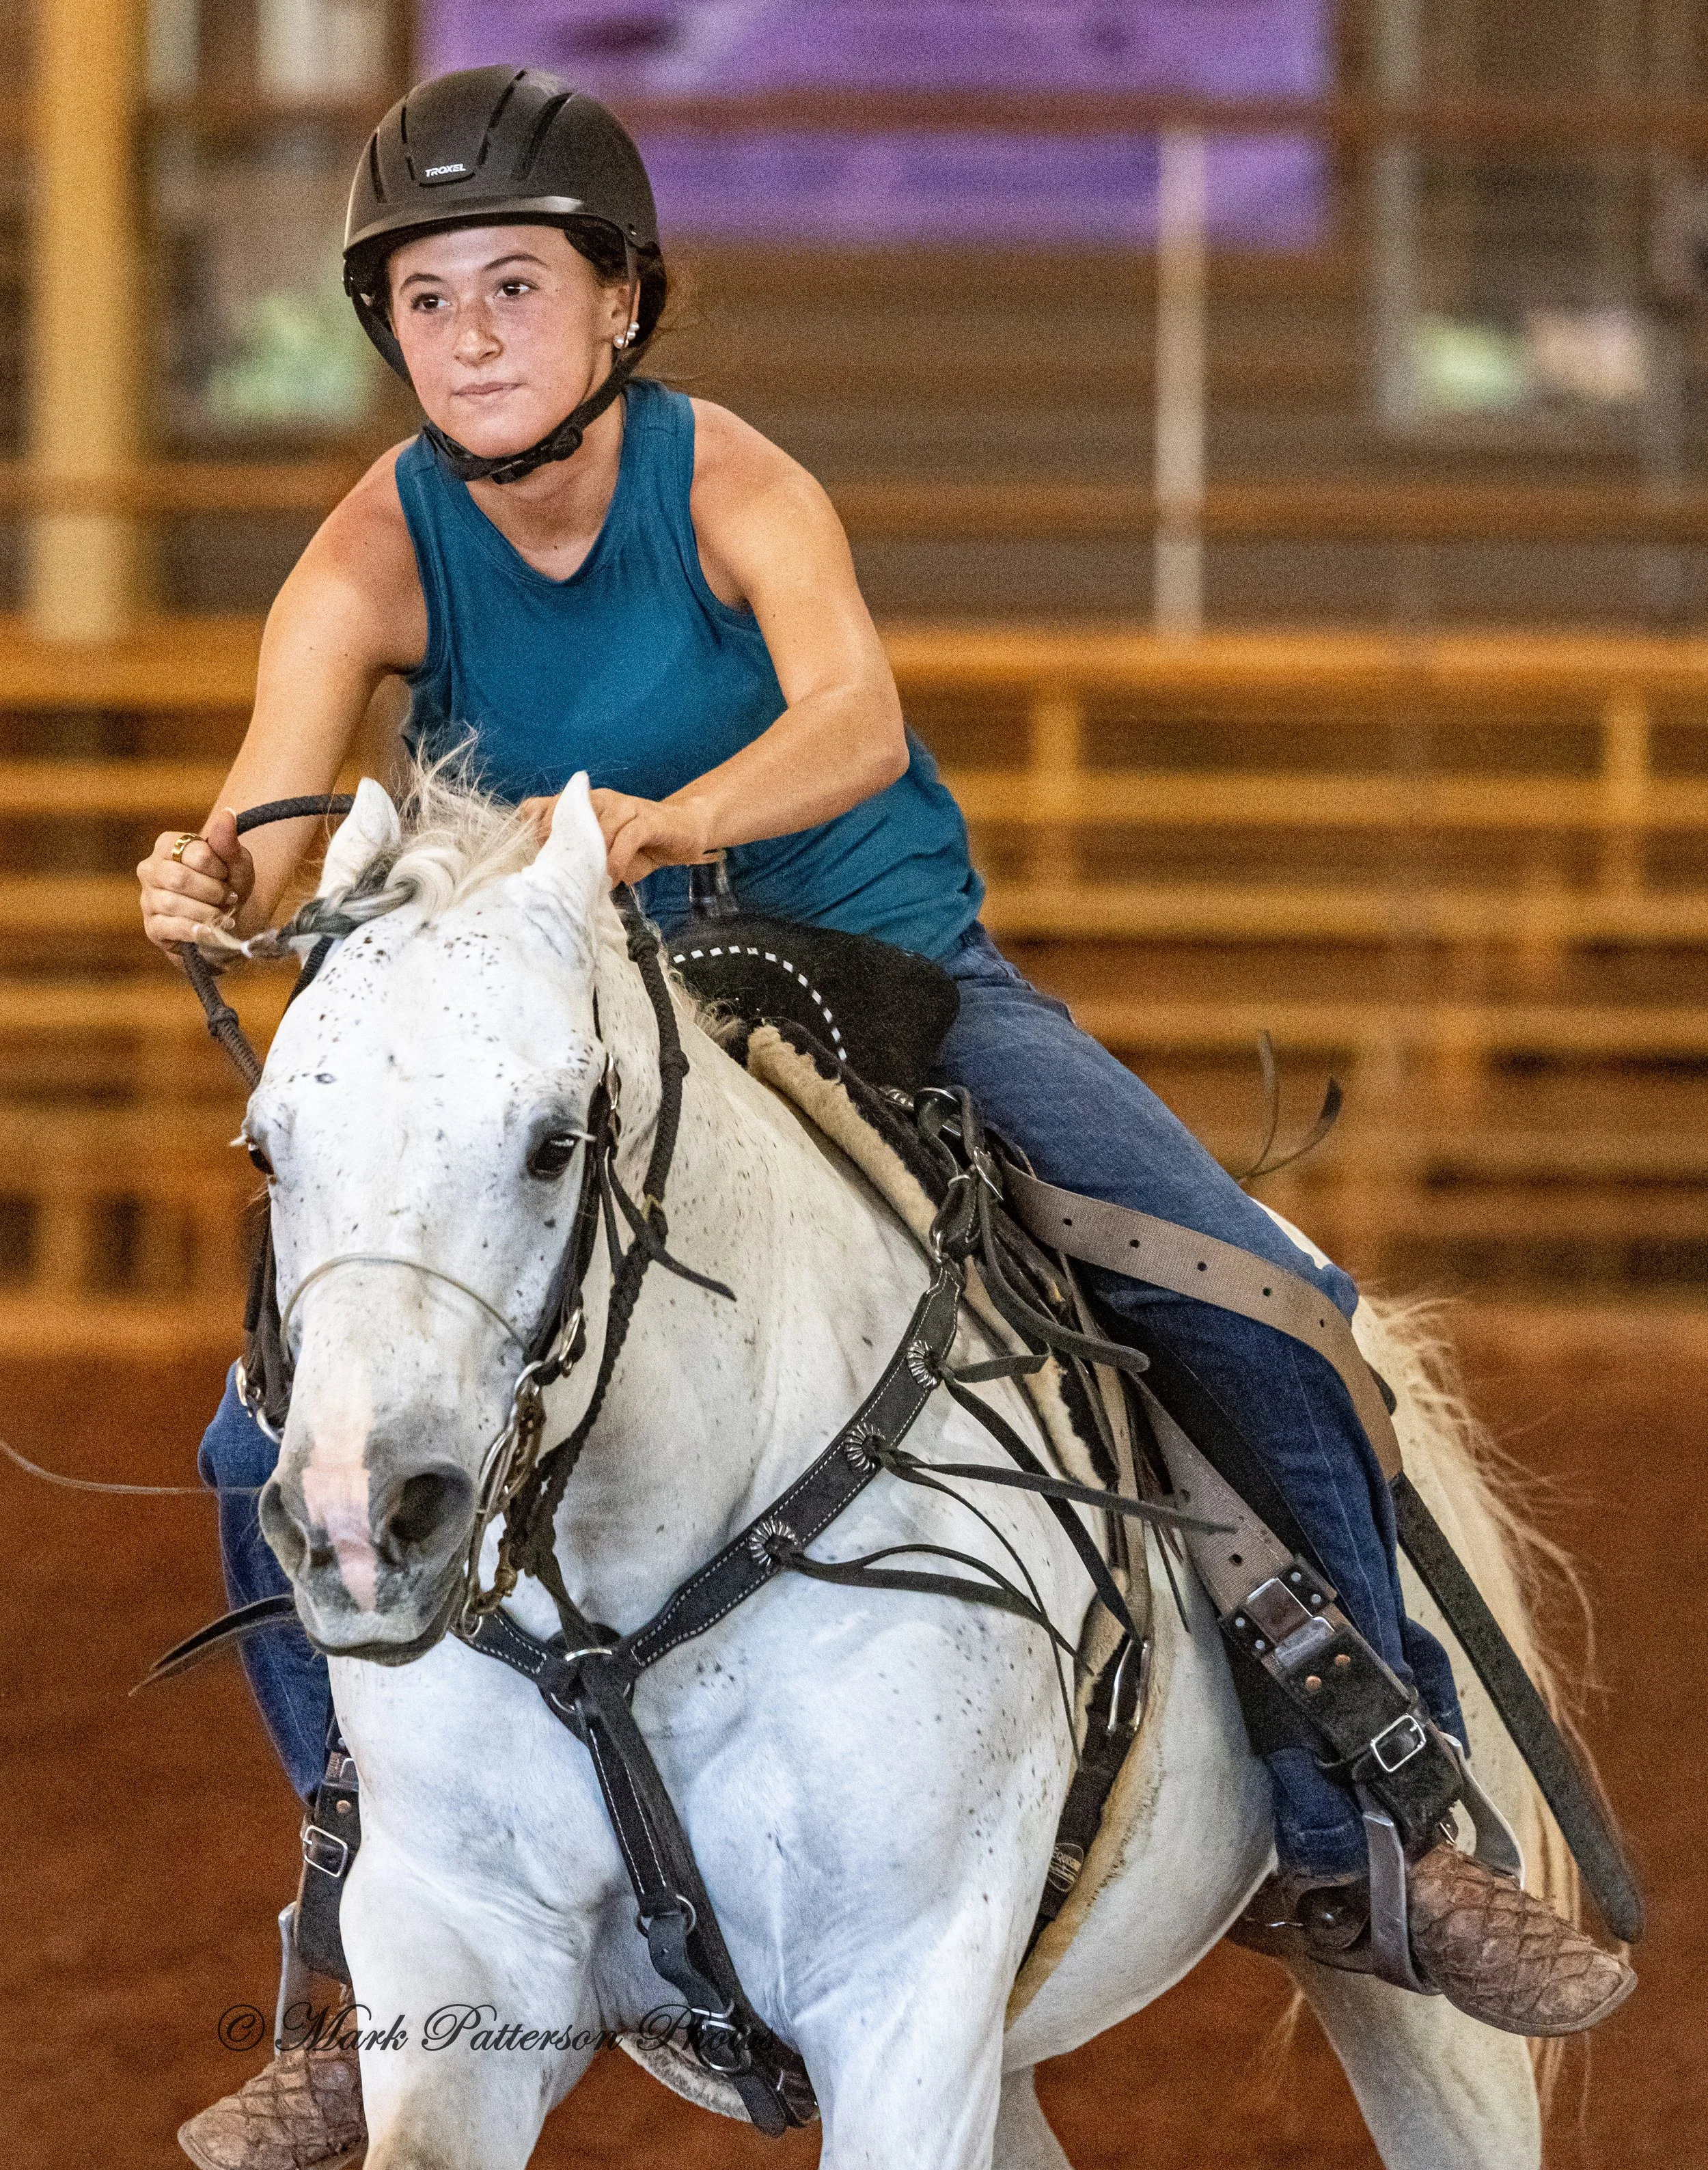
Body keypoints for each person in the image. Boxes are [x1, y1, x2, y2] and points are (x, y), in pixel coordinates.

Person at [139, 65, 1629, 2170]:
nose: (470, 330)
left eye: (516, 284)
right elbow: (282, 802)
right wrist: (222, 880)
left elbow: (851, 716)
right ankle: (349, 1925)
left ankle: (1368, 1820)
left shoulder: (727, 476)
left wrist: (678, 825)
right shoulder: (369, 542)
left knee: (1269, 1307)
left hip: (881, 983)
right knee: (254, 1444)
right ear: (388, 331)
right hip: (595, 1021)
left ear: (622, 305)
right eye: (427, 296)